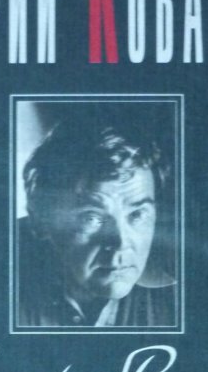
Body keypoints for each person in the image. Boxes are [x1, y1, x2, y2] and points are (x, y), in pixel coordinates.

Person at [17, 115, 177, 328]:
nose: (121, 244)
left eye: (137, 215)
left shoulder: (181, 300)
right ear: (40, 221)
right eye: (92, 218)